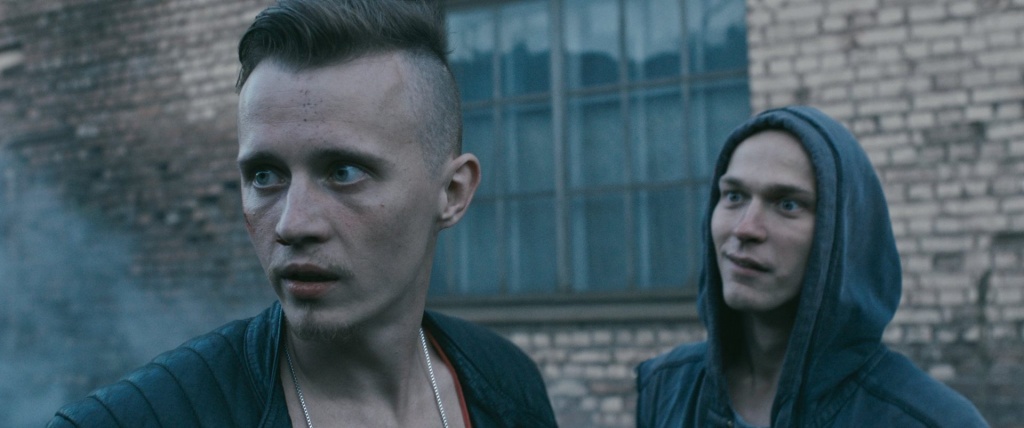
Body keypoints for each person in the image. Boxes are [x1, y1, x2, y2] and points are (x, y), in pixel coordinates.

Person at [49, 1, 557, 427]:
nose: (292, 225)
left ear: (452, 193)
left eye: (344, 172)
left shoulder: (507, 384)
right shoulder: (133, 419)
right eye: (264, 176)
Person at [636, 106, 989, 427]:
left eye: (787, 204)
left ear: (841, 235)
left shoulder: (930, 420)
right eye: (734, 196)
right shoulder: (667, 388)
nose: (745, 228)